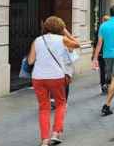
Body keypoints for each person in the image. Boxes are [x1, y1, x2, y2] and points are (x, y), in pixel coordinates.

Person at [27, 16, 79, 146]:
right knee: (61, 104)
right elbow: (77, 44)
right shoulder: (62, 40)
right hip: (56, 77)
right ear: (60, 28)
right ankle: (56, 133)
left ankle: (44, 140)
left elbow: (30, 61)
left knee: (43, 108)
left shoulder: (37, 40)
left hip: (38, 78)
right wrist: (65, 31)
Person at [92, 15, 110, 94]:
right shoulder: (111, 30)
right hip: (109, 52)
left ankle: (103, 85)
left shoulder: (100, 29)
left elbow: (96, 43)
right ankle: (107, 84)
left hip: (101, 53)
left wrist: (94, 55)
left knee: (102, 70)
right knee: (108, 70)